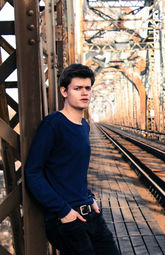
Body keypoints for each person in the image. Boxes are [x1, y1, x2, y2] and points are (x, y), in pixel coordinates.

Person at [24, 64, 119, 254]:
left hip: (89, 213)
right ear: (64, 91)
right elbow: (32, 171)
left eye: (88, 88)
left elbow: (73, 171)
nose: (84, 93)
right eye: (77, 88)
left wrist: (90, 197)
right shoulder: (53, 125)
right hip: (66, 219)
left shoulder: (84, 125)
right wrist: (63, 211)